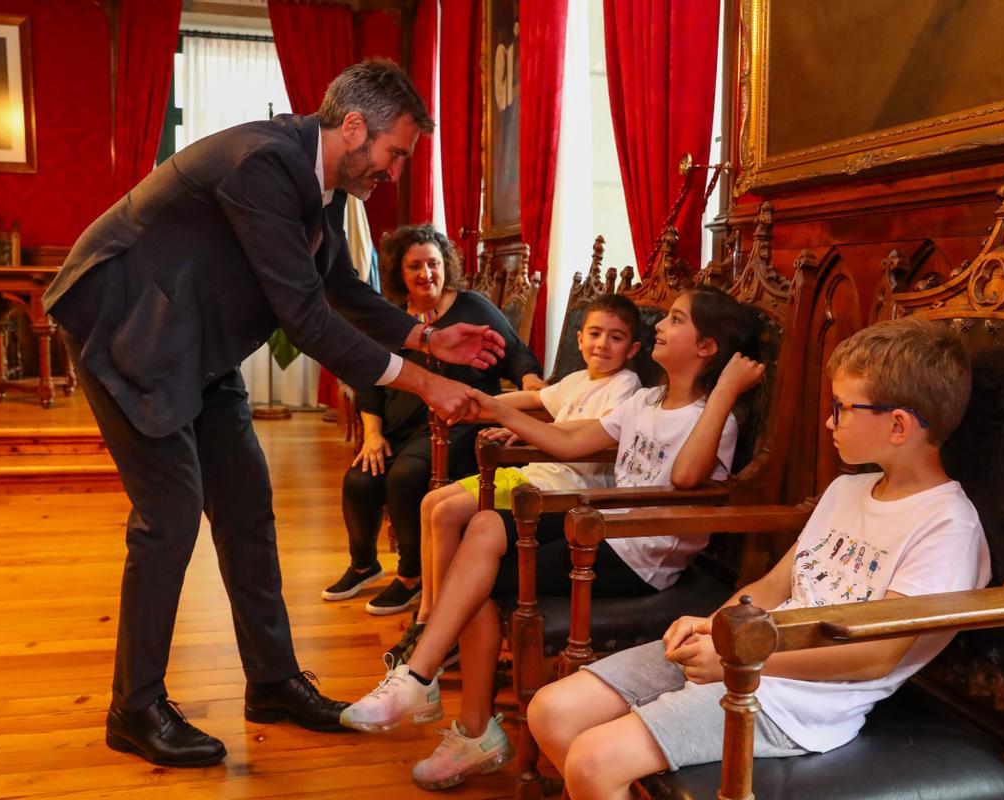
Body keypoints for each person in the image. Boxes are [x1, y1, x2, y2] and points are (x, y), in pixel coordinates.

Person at [42, 59, 507, 769]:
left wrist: (424, 335)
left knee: (248, 509)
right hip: (132, 329)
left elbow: (340, 286)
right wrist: (422, 382)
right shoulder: (263, 165)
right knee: (169, 516)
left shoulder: (320, 180)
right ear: (353, 127)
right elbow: (305, 316)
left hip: (203, 341)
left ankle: (272, 683)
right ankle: (134, 707)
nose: (394, 170)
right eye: (393, 152)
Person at [526, 317, 991, 800]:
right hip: (750, 655)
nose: (831, 421)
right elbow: (775, 585)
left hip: (799, 703)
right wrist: (715, 625)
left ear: (898, 425)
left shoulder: (946, 524)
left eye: (843, 408)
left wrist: (742, 659)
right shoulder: (846, 488)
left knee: (593, 761)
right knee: (551, 711)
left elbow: (876, 654)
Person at [339, 288, 766, 791]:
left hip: (637, 555)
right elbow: (568, 440)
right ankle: (424, 681)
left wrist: (723, 394)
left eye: (675, 319)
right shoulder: (646, 399)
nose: (661, 326)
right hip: (603, 532)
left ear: (707, 348)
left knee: (479, 577)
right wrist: (492, 410)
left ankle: (449, 707)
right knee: (483, 527)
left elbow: (691, 477)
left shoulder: (714, 416)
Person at [383, 293, 644, 664]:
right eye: (596, 334)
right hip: (536, 473)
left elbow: (596, 431)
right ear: (580, 338)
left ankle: (445, 628)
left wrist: (517, 426)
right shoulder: (577, 380)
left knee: (445, 514)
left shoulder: (625, 385)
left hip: (566, 488)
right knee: (431, 502)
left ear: (632, 348)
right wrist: (470, 399)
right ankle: (428, 615)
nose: (603, 344)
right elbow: (533, 401)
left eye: (615, 338)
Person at [323, 224, 543, 615]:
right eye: (415, 267)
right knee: (359, 478)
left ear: (447, 266)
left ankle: (411, 576)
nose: (427, 274)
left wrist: (532, 386)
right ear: (399, 273)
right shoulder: (391, 319)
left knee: (405, 475)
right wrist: (372, 434)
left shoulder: (472, 306)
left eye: (434, 264)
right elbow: (369, 381)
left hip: (458, 423)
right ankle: (364, 564)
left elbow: (516, 352)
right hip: (396, 427)